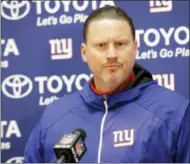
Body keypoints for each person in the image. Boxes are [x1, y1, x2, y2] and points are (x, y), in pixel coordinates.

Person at [24, 6, 189, 163]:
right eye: (101, 45)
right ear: (84, 52)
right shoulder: (54, 115)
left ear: (135, 48)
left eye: (120, 44)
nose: (111, 54)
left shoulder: (175, 112)